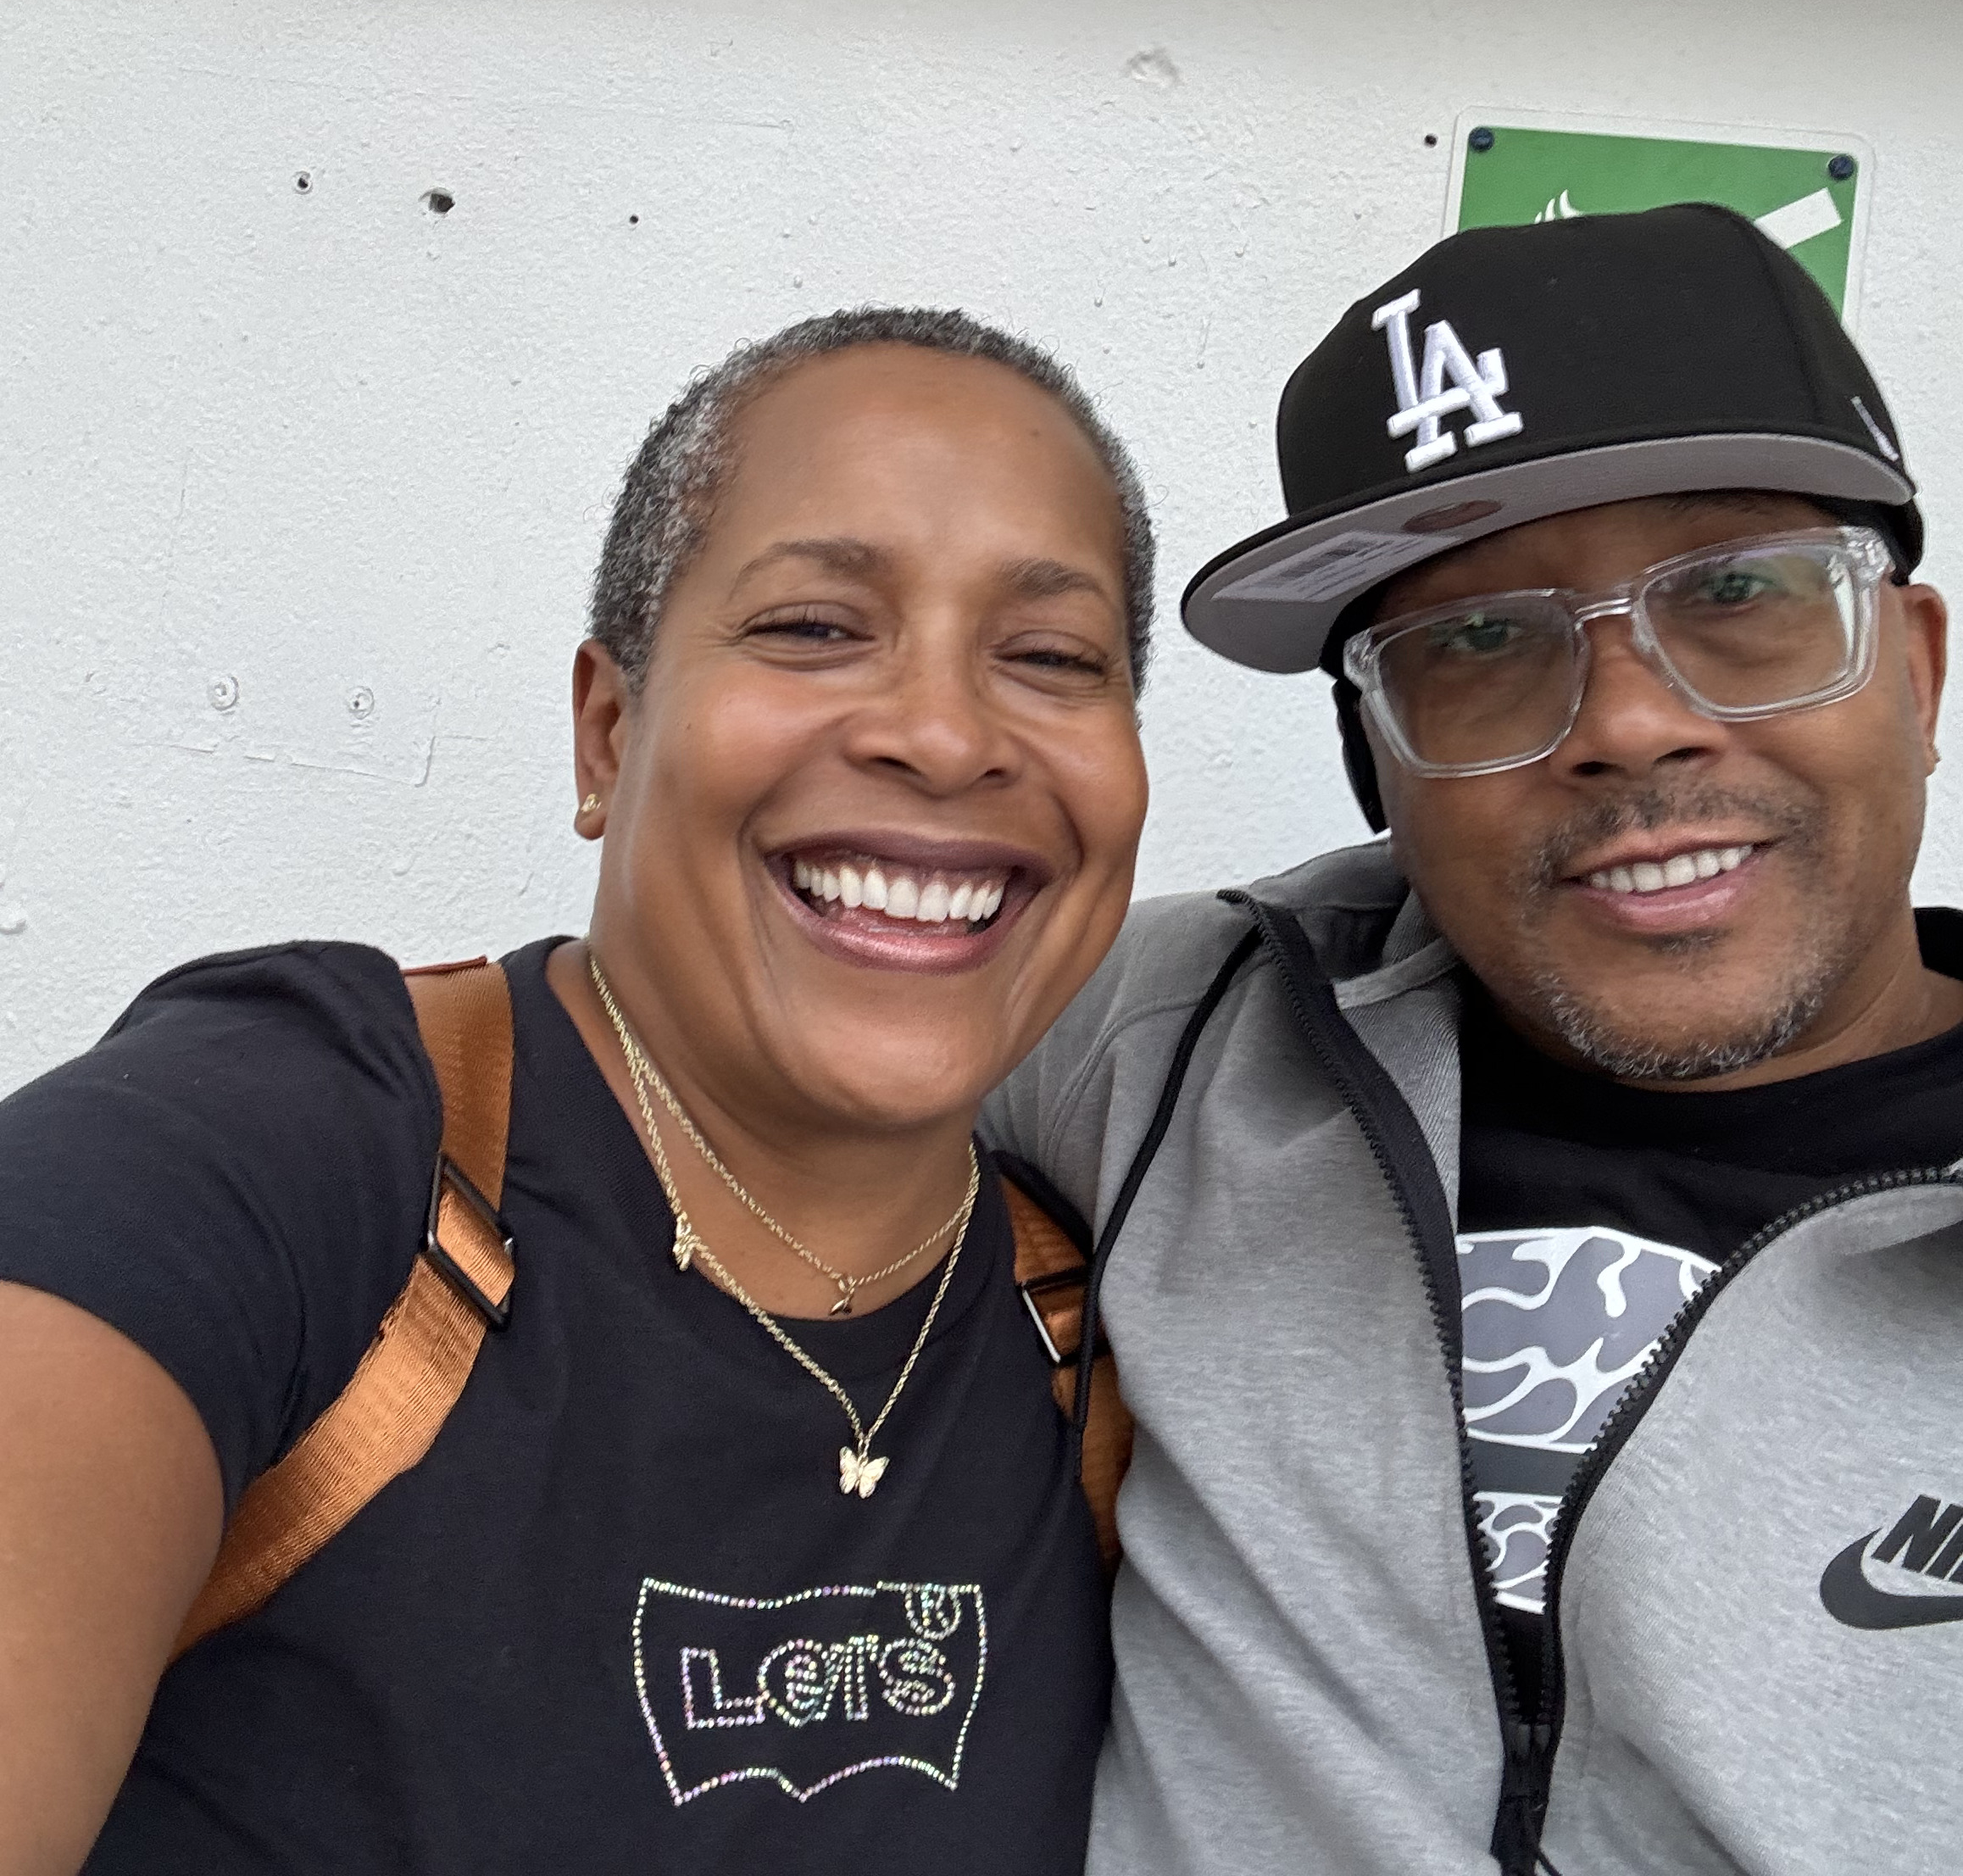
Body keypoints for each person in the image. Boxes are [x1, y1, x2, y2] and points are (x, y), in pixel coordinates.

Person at [0, 305, 1154, 1876]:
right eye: (816, 627)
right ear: (608, 732)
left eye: (1052, 658)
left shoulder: (1102, 1347)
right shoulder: (289, 1156)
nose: (946, 736)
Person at [989, 203, 1963, 1876]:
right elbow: (697, 1061)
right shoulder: (1174, 1038)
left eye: (1740, 591)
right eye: (1478, 642)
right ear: (1378, 763)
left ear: (1919, 670)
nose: (1632, 723)